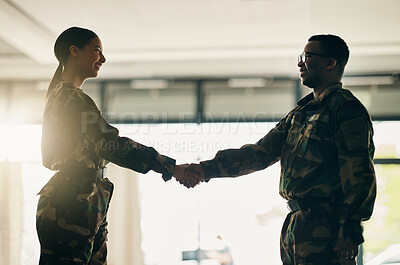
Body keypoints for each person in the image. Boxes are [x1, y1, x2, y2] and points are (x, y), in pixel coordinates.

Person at [184, 34, 376, 265]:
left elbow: (358, 173)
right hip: (296, 226)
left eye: (308, 56)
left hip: (328, 227)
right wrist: (204, 170)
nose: (300, 63)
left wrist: (350, 230)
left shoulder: (345, 108)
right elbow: (258, 154)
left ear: (330, 63)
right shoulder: (299, 114)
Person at [36, 27, 197, 265]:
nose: (102, 58)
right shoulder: (69, 97)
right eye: (97, 50)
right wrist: (170, 167)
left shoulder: (66, 96)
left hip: (85, 197)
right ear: (75, 51)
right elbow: (109, 143)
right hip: (71, 202)